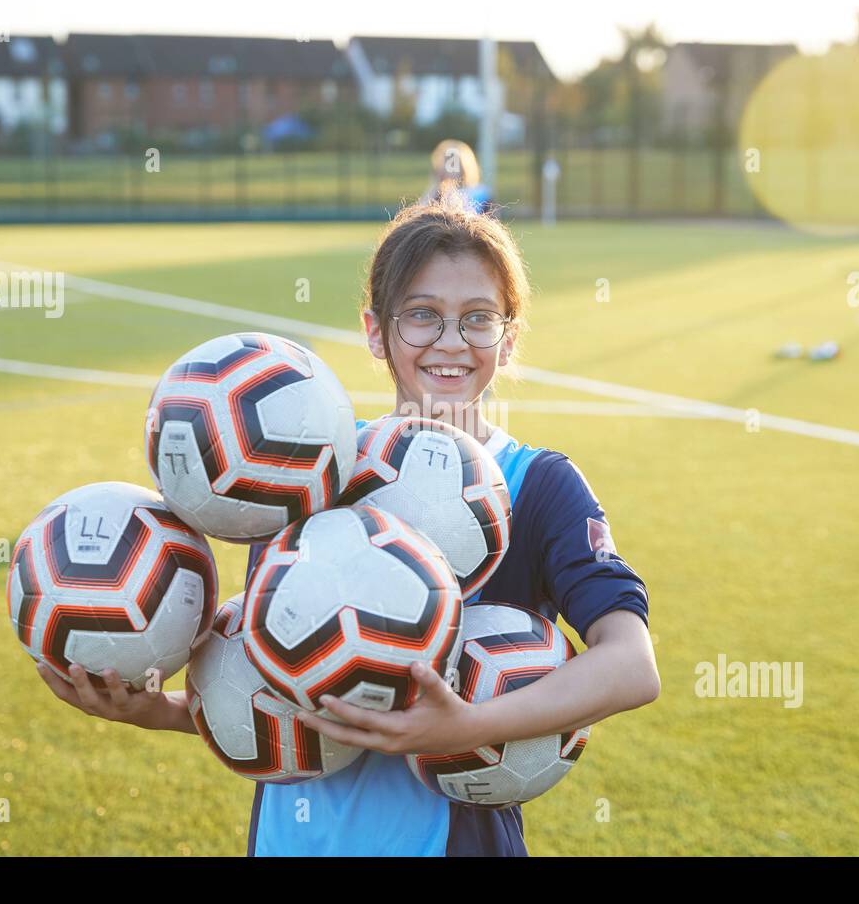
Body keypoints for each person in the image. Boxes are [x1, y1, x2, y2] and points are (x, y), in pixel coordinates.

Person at [38, 197, 659, 856]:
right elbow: (278, 697)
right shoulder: (303, 475)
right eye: (422, 315)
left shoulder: (539, 485)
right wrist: (151, 711)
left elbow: (630, 666)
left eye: (478, 318)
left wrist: (468, 727)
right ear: (374, 330)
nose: (450, 342)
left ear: (508, 340)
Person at [419, 139, 495, 216]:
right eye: (445, 161)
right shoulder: (437, 193)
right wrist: (435, 186)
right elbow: (420, 216)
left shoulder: (481, 194)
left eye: (454, 163)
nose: (448, 169)